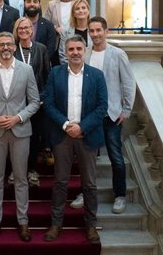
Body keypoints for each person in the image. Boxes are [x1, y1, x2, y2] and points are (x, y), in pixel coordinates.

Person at [0, 31, 40, 243]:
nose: (5, 48)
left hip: (20, 131)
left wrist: (18, 118)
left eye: (8, 44)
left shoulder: (27, 70)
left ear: (14, 46)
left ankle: (23, 222)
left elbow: (34, 101)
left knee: (21, 179)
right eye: (1, 44)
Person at [43, 35, 108, 245]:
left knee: (89, 184)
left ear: (84, 50)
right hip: (63, 135)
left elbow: (102, 107)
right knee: (60, 182)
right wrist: (66, 125)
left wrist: (82, 127)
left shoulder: (97, 76)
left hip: (87, 134)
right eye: (71, 49)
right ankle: (56, 224)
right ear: (65, 52)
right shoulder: (55, 73)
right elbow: (49, 104)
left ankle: (90, 226)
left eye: (79, 48)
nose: (75, 52)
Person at [79, 16, 136, 214]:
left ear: (106, 31)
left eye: (98, 30)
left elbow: (128, 82)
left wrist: (127, 109)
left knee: (116, 157)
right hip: (88, 114)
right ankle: (84, 193)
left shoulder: (118, 54)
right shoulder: (84, 54)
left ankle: (119, 195)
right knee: (87, 157)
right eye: (91, 31)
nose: (95, 34)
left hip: (112, 113)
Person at [11, 17, 51, 188]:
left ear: (32, 30)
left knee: (34, 137)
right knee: (17, 138)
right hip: (16, 102)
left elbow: (47, 75)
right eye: (20, 28)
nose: (24, 31)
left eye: (27, 27)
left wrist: (42, 98)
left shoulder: (41, 49)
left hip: (37, 102)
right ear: (16, 31)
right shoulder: (12, 49)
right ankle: (16, 170)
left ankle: (32, 169)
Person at [45, 0, 79, 64]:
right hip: (57, 42)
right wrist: (55, 28)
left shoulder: (78, 3)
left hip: (75, 39)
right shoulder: (51, 5)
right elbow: (46, 22)